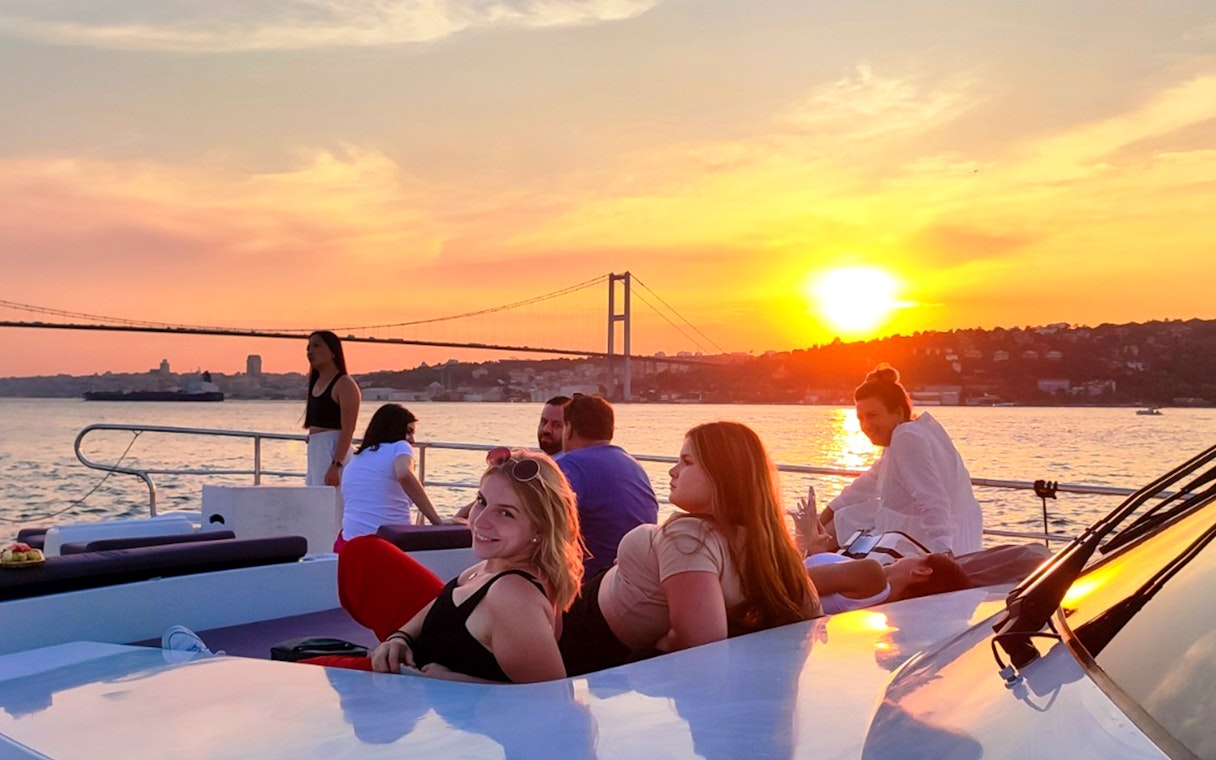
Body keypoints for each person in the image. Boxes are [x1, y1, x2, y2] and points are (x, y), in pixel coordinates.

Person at [558, 421, 821, 677]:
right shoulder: (773, 547)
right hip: (597, 611)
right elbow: (808, 613)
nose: (673, 471)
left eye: (687, 462)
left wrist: (661, 646)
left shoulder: (689, 537)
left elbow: (700, 643)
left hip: (584, 638)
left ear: (723, 476)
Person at [357, 448, 584, 683]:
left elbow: (551, 700)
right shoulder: (489, 568)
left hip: (438, 705)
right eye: (481, 501)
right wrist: (400, 638)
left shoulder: (512, 595)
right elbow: (432, 610)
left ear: (540, 529)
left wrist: (451, 683)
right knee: (362, 553)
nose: (480, 520)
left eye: (505, 513)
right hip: (411, 682)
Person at [819, 364, 983, 555]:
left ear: (898, 412)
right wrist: (830, 509)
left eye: (872, 416)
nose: (865, 426)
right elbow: (868, 481)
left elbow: (932, 499)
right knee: (845, 517)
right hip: (939, 534)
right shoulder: (914, 430)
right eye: (860, 418)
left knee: (840, 526)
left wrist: (942, 551)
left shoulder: (906, 437)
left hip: (927, 543)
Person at [557, 394, 658, 575]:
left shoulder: (569, 465)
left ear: (569, 429)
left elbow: (539, 520)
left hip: (594, 581)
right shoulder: (632, 464)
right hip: (637, 575)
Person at [335, 404, 445, 552]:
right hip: (387, 547)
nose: (412, 440)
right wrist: (437, 521)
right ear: (394, 429)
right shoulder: (400, 447)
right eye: (408, 432)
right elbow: (404, 474)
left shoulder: (357, 458)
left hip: (348, 546)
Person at [804, 552, 969, 614]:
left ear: (922, 571)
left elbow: (790, 585)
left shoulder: (871, 574)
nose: (901, 556)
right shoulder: (877, 605)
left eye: (918, 555)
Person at [304, 331, 361, 487]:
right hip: (316, 451)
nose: (310, 351)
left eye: (316, 345)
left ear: (333, 351)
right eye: (308, 348)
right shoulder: (316, 383)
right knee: (316, 503)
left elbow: (348, 429)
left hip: (333, 451)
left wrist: (336, 464)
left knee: (332, 504)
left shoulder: (345, 384)